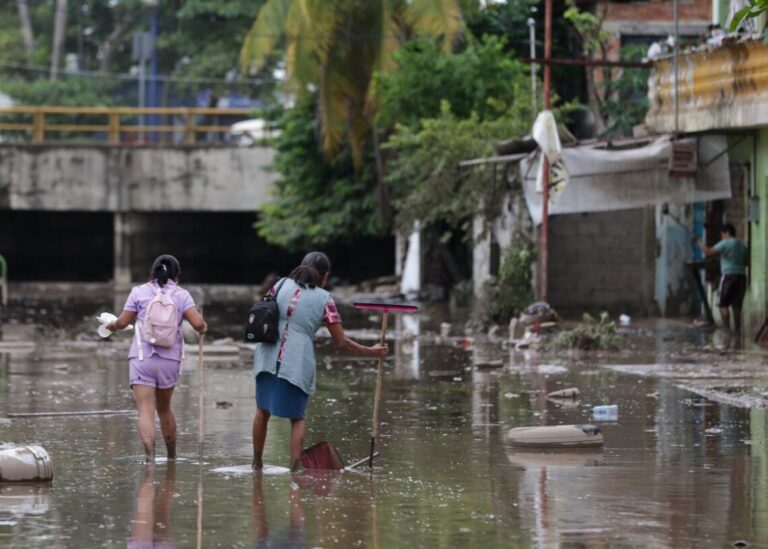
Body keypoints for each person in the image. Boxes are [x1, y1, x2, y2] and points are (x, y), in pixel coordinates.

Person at [252, 251, 388, 471]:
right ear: (324, 276)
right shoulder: (325, 299)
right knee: (297, 418)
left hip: (266, 355)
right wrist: (371, 352)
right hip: (296, 362)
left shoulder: (279, 285)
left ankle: (256, 464)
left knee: (262, 410)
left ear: (300, 267)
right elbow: (341, 341)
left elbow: (262, 310)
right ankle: (294, 472)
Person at [107, 255, 207, 462]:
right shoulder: (182, 295)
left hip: (142, 359)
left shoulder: (139, 292)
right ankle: (171, 457)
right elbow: (198, 325)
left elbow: (123, 322)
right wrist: (203, 325)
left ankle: (150, 459)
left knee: (145, 411)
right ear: (177, 276)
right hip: (170, 361)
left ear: (151, 273)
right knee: (165, 409)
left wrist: (112, 325)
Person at [694, 223, 748, 336]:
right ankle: (738, 331)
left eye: (722, 235)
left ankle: (727, 330)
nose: (722, 237)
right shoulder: (742, 245)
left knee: (723, 304)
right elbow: (746, 261)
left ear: (727, 233)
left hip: (729, 276)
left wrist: (698, 241)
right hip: (741, 277)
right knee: (736, 306)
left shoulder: (726, 243)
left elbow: (708, 251)